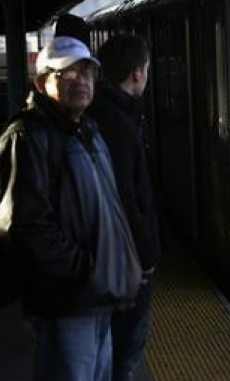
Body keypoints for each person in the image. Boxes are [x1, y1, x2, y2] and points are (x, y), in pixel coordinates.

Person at [0, 36, 142, 381]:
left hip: (98, 297)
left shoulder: (86, 130)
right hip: (67, 301)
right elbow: (23, 225)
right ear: (42, 82)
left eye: (87, 73)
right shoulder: (28, 137)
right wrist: (83, 269)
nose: (81, 82)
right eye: (67, 75)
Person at [88, 33, 162, 381]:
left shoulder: (110, 112)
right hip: (126, 258)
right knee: (125, 350)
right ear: (137, 73)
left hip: (116, 254)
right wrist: (145, 254)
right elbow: (124, 194)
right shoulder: (117, 121)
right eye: (147, 69)